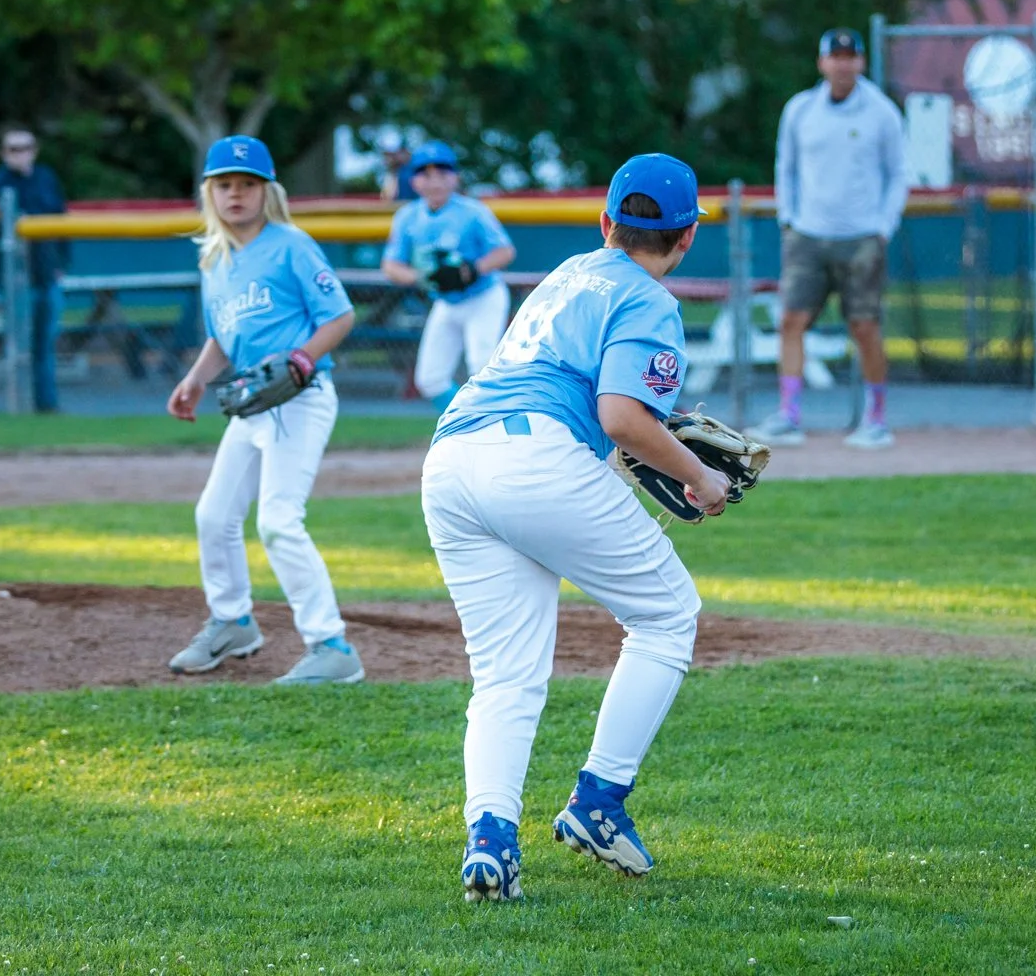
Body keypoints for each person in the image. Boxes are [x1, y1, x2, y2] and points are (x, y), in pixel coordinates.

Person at [421, 152, 733, 902]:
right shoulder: (650, 299)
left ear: (604, 223)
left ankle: (490, 841)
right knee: (667, 615)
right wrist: (700, 475)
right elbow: (621, 417)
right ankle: (599, 801)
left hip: (452, 457)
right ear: (687, 236)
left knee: (504, 672)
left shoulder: (569, 271)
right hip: (533, 459)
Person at [164, 134, 364, 686]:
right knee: (213, 516)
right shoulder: (215, 259)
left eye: (248, 184)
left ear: (267, 191)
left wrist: (303, 357)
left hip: (300, 399)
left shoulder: (291, 245)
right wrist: (194, 379)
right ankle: (232, 622)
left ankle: (332, 646)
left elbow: (340, 316)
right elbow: (221, 338)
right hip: (253, 402)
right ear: (209, 193)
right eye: (225, 184)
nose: (236, 194)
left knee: (278, 521)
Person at [751, 27, 909, 449]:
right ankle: (789, 414)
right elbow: (786, 167)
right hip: (807, 234)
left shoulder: (882, 112)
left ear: (861, 61)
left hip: (862, 237)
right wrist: (789, 218)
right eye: (835, 56)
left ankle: (876, 418)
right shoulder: (801, 109)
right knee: (791, 320)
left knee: (865, 326)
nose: (843, 64)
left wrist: (883, 226)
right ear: (822, 62)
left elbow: (898, 173)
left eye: (850, 56)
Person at [380, 141, 517, 412]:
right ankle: (464, 422)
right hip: (446, 301)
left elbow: (505, 251)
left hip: (482, 296)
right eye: (425, 174)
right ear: (414, 181)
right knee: (430, 379)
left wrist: (473, 269)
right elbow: (391, 265)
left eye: (442, 173)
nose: (435, 181)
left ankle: (494, 425)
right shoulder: (408, 217)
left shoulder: (472, 211)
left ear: (455, 177)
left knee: (482, 369)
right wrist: (423, 277)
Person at [0, 125, 71, 413]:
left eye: (26, 147)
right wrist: (4, 275)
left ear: (35, 150)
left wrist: (61, 264)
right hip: (18, 279)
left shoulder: (45, 178)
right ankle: (19, 404)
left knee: (45, 342)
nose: (21, 154)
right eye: (14, 149)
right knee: (21, 344)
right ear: (3, 153)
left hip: (47, 274)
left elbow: (62, 222)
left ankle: (46, 404)